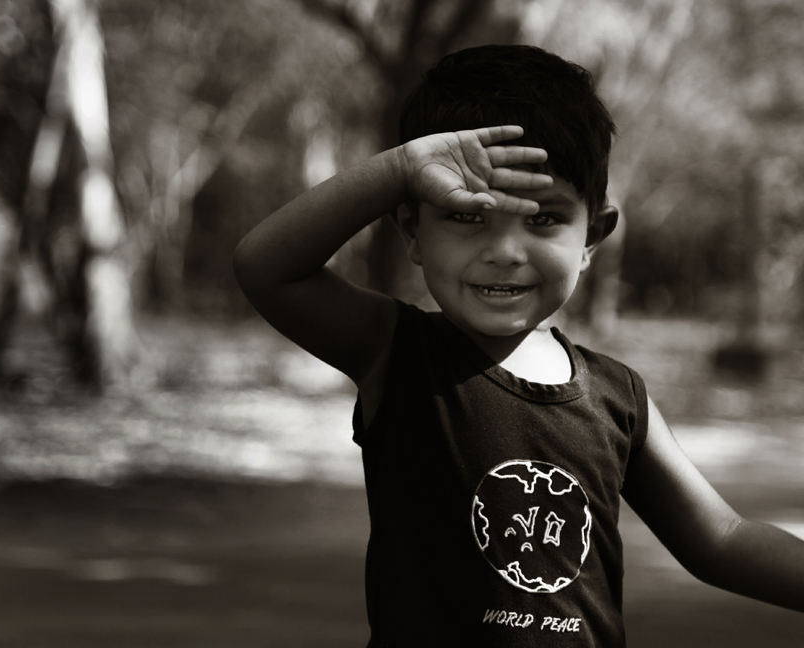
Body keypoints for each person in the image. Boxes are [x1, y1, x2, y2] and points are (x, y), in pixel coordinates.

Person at [233, 44, 804, 646]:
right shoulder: (395, 351)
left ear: (592, 237)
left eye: (544, 220)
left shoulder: (619, 396)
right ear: (412, 231)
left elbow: (722, 538)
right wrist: (400, 169)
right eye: (467, 216)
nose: (505, 251)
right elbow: (266, 268)